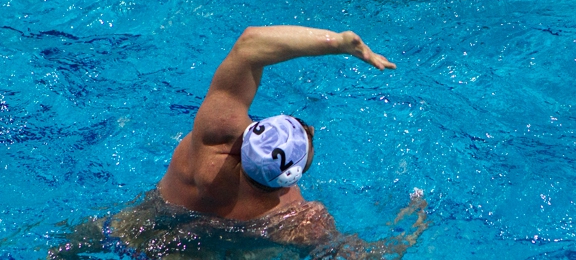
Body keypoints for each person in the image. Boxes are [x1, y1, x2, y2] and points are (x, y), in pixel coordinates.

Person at [49, 25, 427, 259]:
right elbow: (352, 256)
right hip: (204, 254)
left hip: (145, 220)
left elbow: (250, 44)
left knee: (85, 237)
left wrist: (339, 43)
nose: (309, 129)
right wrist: (407, 232)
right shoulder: (297, 217)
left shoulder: (214, 133)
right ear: (291, 177)